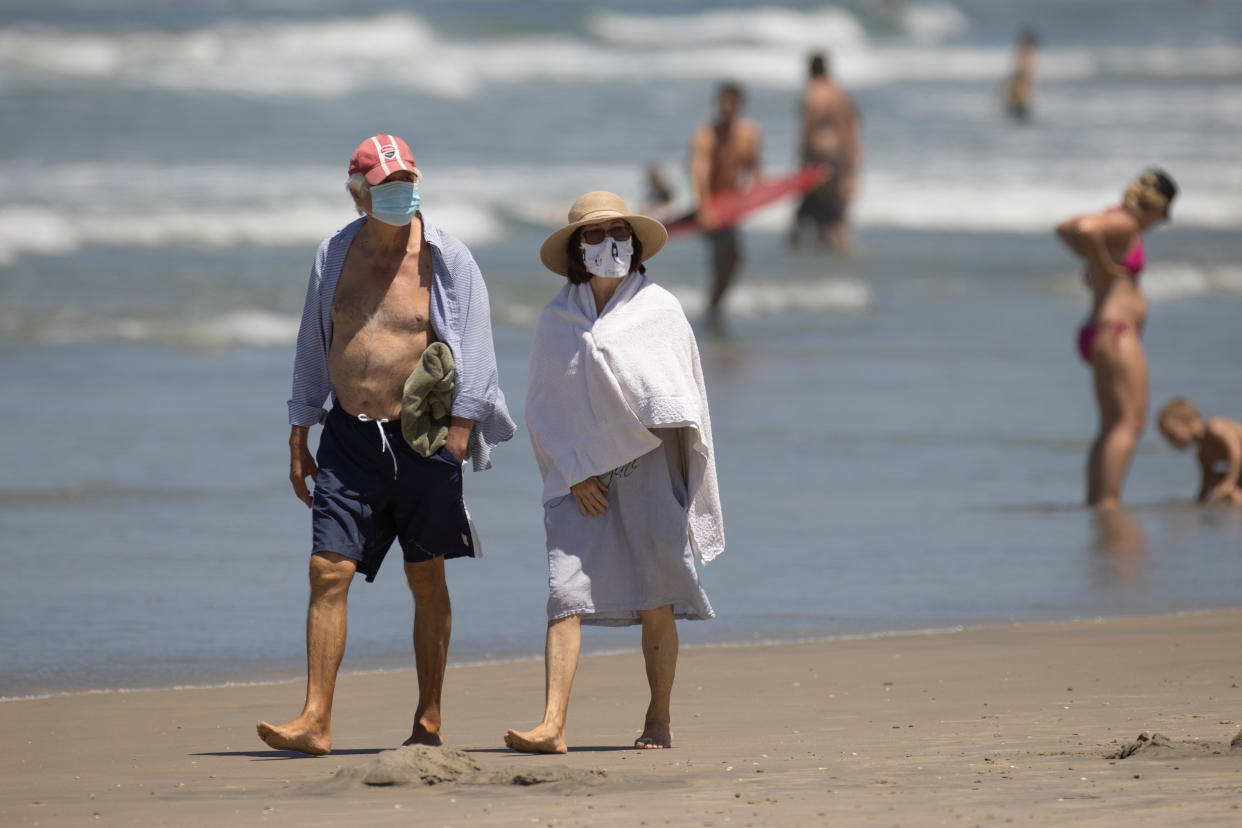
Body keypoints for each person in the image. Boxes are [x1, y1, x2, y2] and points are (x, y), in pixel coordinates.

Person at [257, 134, 515, 755]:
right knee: (327, 570)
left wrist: (455, 442)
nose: (399, 196)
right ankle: (315, 720)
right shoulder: (334, 254)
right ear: (357, 194)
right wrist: (300, 431)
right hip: (348, 437)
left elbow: (477, 352)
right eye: (384, 188)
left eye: (406, 185)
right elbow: (313, 346)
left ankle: (428, 720)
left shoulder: (448, 260)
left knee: (425, 578)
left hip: (421, 439)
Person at [505, 191, 724, 754]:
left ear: (635, 242)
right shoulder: (557, 320)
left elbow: (681, 397)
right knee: (565, 593)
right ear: (578, 249)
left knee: (655, 597)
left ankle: (659, 717)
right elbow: (542, 407)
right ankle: (552, 724)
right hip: (581, 479)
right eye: (595, 236)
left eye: (620, 233)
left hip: (649, 465)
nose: (610, 245)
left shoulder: (660, 310)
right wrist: (575, 467)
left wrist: (666, 465)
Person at [1055, 168, 1177, 509]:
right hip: (1116, 331)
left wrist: (1097, 261)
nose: (1163, 220)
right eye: (1165, 213)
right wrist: (1102, 263)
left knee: (1112, 424)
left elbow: (1066, 227)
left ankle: (1098, 501)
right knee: (1129, 423)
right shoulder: (1124, 223)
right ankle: (1107, 504)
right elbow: (1080, 228)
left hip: (1103, 331)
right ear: (1155, 205)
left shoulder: (1113, 219)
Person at [690, 81, 762, 326]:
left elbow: (754, 168)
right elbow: (699, 171)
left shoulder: (749, 134)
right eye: (724, 102)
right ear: (717, 103)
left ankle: (714, 306)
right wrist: (704, 209)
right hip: (707, 203)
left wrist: (758, 196)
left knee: (730, 258)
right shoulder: (706, 134)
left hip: (731, 207)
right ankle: (714, 307)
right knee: (728, 255)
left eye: (733, 102)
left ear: (741, 104)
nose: (728, 107)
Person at [789, 52, 861, 253]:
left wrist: (802, 159)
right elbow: (849, 128)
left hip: (818, 157)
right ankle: (834, 270)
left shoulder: (812, 93)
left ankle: (817, 268)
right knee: (833, 214)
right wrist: (851, 163)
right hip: (838, 157)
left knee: (811, 218)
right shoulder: (839, 92)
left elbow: (808, 129)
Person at [1156, 397, 1242, 505]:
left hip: (1238, 466)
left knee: (1226, 486)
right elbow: (1206, 483)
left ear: (1187, 422)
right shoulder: (1203, 453)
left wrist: (1229, 482)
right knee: (1216, 482)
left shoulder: (1215, 427)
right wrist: (1198, 503)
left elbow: (1236, 451)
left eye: (1172, 435)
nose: (1172, 442)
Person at [1005, 28, 1040, 122]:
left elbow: (1021, 71)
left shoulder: (1026, 51)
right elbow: (1024, 72)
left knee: (1019, 116)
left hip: (1020, 89)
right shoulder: (1028, 52)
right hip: (1021, 89)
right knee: (1021, 116)